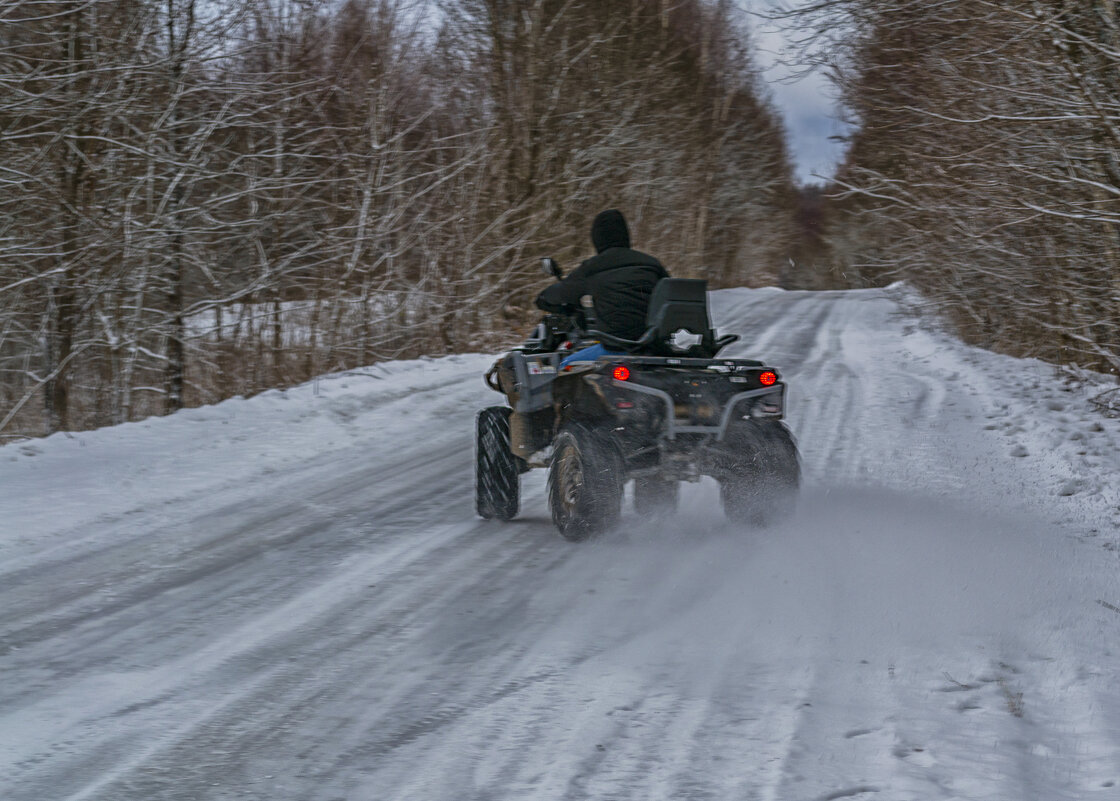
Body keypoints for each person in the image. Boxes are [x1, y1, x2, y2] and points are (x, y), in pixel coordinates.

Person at [536, 209, 668, 365]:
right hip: (653, 347)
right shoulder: (651, 264)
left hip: (617, 348)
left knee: (566, 366)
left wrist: (544, 299)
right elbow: (669, 294)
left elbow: (560, 293)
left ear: (597, 238)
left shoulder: (593, 267)